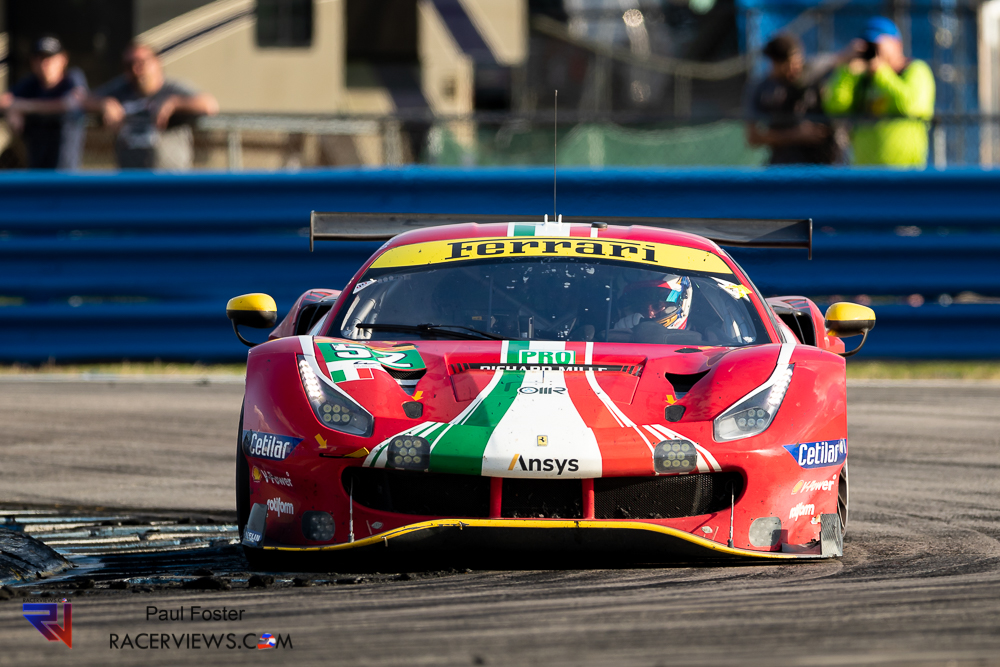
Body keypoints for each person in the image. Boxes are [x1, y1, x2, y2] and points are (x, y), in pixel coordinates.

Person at [823, 17, 935, 167]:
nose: (873, 51)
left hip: (905, 173)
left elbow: (911, 105)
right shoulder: (862, 78)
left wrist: (881, 72)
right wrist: (846, 70)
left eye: (876, 44)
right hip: (864, 175)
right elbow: (836, 107)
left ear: (897, 44)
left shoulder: (915, 70)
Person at [87, 42, 218, 169]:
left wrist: (174, 104)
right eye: (128, 65)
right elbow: (81, 99)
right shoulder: (121, 89)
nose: (135, 69)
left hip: (171, 180)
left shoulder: (172, 89)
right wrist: (103, 104)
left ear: (156, 62)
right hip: (131, 180)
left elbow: (210, 105)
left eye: (141, 62)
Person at [746, 34, 842, 165]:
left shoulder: (813, 72)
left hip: (822, 165)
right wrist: (796, 135)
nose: (795, 69)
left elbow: (843, 57)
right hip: (785, 167)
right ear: (775, 63)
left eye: (798, 62)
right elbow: (753, 137)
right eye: (790, 65)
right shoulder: (763, 89)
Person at [0, 36, 88, 169]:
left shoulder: (73, 78)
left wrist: (24, 106)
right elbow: (5, 101)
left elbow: (71, 103)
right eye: (39, 58)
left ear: (63, 59)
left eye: (50, 58)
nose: (44, 63)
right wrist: (12, 111)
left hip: (65, 174)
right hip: (36, 171)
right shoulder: (31, 84)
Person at [613, 276, 692, 331]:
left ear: (684, 301)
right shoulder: (608, 342)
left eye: (658, 306)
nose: (650, 315)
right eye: (641, 309)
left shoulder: (698, 347)